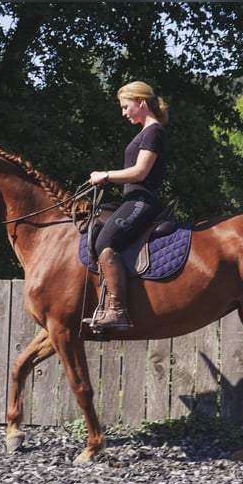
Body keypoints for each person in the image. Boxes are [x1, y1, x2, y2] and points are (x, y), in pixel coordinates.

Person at [86, 80, 169, 330]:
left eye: (125, 106)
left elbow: (140, 172)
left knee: (104, 243)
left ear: (141, 102)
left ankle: (118, 312)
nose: (123, 113)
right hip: (133, 199)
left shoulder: (153, 131)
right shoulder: (146, 131)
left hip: (142, 200)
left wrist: (106, 175)